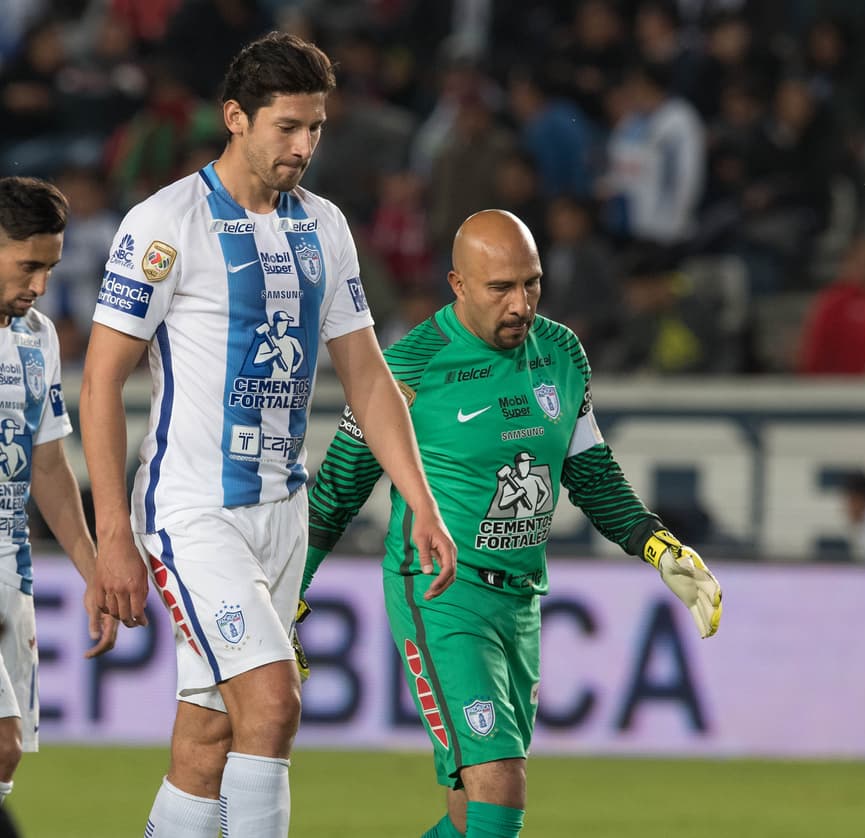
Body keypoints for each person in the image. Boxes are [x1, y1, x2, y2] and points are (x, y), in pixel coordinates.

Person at [79, 33, 457, 838]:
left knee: (211, 734)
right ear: (235, 117)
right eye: (287, 126)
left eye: (315, 128)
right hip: (194, 510)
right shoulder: (165, 225)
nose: (303, 146)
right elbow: (102, 379)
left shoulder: (323, 225)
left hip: (284, 514)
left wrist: (419, 500)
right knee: (275, 701)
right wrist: (112, 530)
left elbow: (367, 376)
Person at [301, 209, 722, 838]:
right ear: (458, 284)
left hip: (521, 600)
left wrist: (659, 547)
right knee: (501, 784)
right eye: (501, 288)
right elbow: (336, 492)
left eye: (532, 283)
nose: (520, 303)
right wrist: (288, 589)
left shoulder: (561, 353)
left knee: (472, 811)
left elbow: (592, 472)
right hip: (441, 592)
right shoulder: (408, 368)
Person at [0, 176, 117, 806]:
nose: (41, 285)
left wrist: (94, 569)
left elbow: (47, 467)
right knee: (2, 742)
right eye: (28, 266)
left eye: (50, 267)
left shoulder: (36, 336)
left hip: (8, 566)